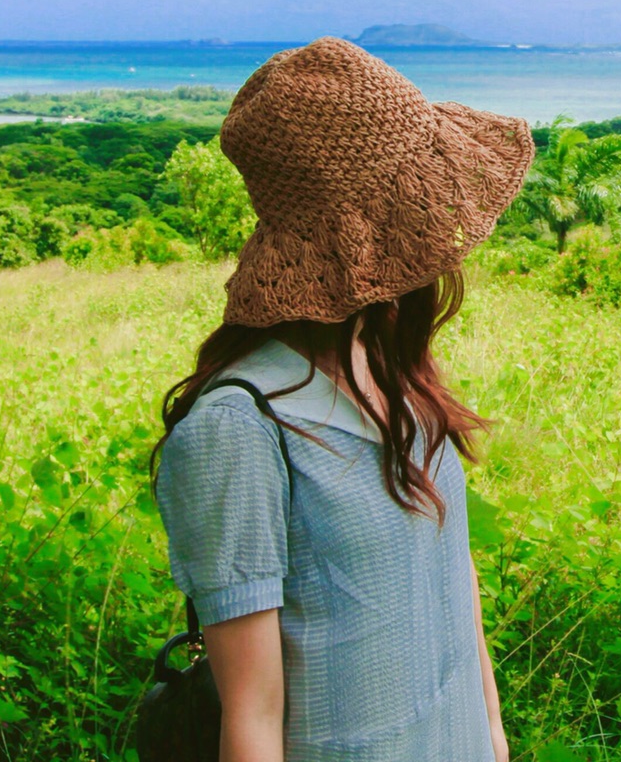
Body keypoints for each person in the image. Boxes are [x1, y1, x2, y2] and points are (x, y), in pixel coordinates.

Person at [151, 37, 535, 762]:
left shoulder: (389, 365)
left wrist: (491, 734)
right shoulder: (240, 427)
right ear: (370, 229)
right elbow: (253, 720)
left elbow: (454, 584)